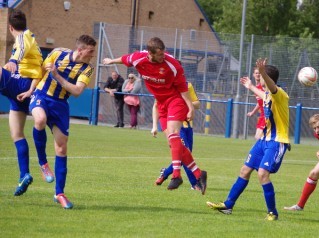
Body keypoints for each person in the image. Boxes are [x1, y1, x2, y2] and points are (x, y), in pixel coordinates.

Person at [103, 37, 207, 194]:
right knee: (174, 144)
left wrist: (190, 107)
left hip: (175, 100)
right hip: (161, 103)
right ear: (150, 54)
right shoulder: (139, 58)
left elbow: (183, 88)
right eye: (159, 55)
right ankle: (199, 174)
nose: (162, 56)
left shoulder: (173, 64)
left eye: (163, 53)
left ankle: (177, 175)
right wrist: (111, 61)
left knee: (173, 134)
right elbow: (125, 59)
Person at [206, 58, 290, 221]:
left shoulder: (279, 94)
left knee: (262, 174)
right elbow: (263, 94)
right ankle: (228, 205)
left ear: (269, 78)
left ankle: (272, 212)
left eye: (262, 76)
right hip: (263, 141)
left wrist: (263, 73)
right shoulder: (267, 95)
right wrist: (251, 86)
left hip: (276, 141)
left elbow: (271, 89)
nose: (259, 77)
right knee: (245, 170)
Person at [29, 35, 96, 209]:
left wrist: (57, 75)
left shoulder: (87, 69)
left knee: (61, 147)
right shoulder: (57, 52)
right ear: (80, 50)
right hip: (41, 96)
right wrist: (31, 89)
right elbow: (42, 70)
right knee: (40, 119)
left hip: (60, 105)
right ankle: (43, 164)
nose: (92, 55)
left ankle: (59, 193)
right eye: (90, 51)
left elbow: (76, 91)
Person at [0, 10, 55, 197]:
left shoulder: (24, 36)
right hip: (27, 90)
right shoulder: (32, 41)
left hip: (20, 84)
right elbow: (38, 67)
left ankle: (34, 168)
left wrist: (14, 59)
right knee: (16, 134)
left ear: (10, 27)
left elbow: (21, 46)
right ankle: (24, 175)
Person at [153, 81, 201, 190]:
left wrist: (183, 102)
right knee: (184, 154)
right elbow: (156, 105)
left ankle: (165, 173)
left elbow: (197, 104)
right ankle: (195, 183)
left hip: (187, 126)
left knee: (185, 156)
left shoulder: (187, 85)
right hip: (175, 127)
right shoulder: (162, 85)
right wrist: (154, 126)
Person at [246, 67, 266, 140]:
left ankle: (280, 142)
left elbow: (266, 98)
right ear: (253, 75)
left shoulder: (263, 86)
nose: (258, 75)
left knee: (259, 137)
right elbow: (259, 102)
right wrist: (253, 112)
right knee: (258, 137)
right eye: (256, 73)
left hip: (267, 115)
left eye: (259, 73)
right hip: (262, 115)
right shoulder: (256, 87)